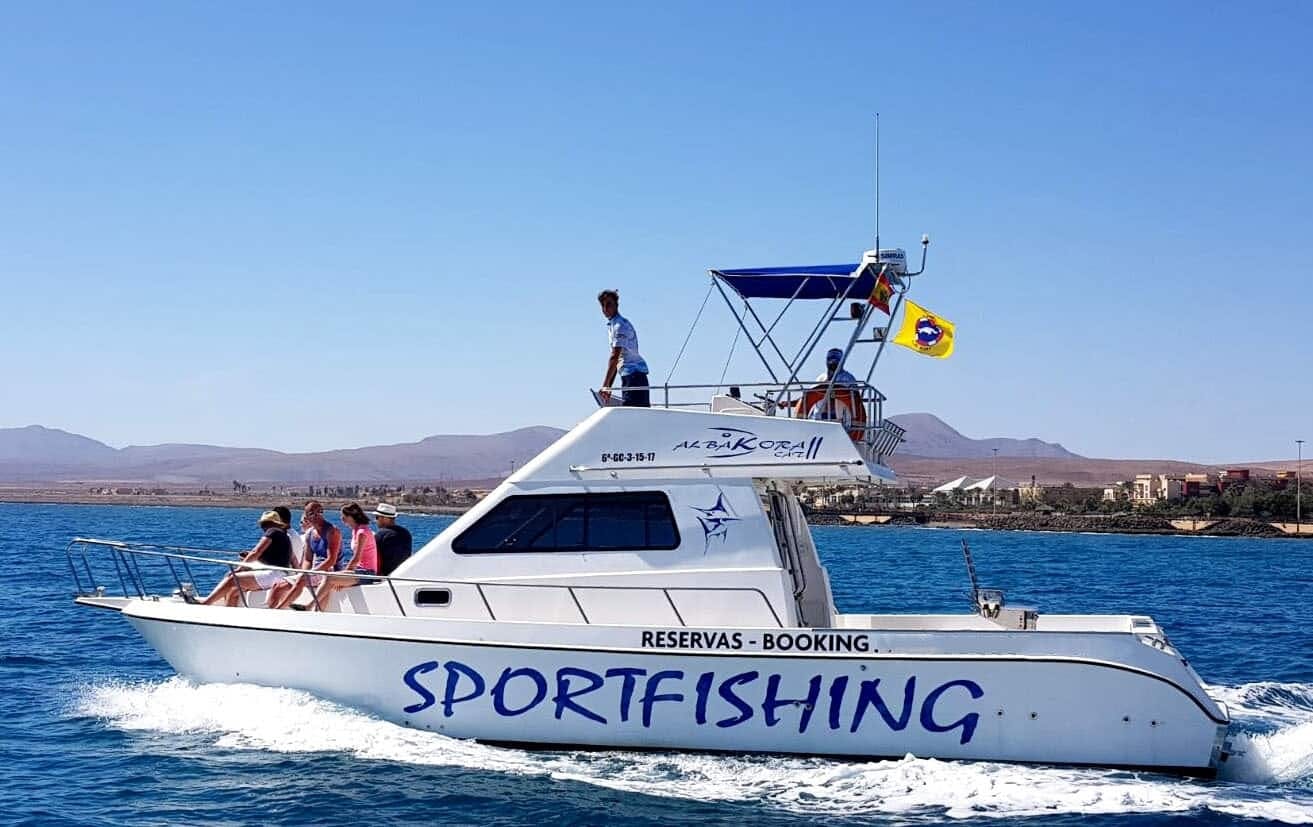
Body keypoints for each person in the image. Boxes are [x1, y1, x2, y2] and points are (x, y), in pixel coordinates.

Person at [194, 510, 293, 606]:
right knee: (233, 591)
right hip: (279, 575)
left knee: (232, 579)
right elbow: (271, 557)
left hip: (272, 575)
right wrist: (248, 556)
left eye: (264, 524)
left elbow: (256, 552)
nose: (263, 528)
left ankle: (206, 603)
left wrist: (239, 568)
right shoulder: (284, 536)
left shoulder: (273, 531)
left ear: (271, 524)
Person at [268, 499, 340, 610]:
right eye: (312, 513)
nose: (317, 515)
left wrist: (311, 573)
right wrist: (304, 572)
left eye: (320, 511)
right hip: (314, 571)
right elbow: (308, 559)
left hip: (328, 570)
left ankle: (278, 610)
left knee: (302, 580)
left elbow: (332, 560)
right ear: (307, 516)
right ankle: (274, 612)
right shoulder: (310, 533)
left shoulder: (332, 531)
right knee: (278, 586)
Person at [309, 502, 378, 611]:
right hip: (359, 571)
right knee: (328, 578)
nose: (342, 519)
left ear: (351, 516)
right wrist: (343, 576)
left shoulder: (362, 533)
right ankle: (317, 611)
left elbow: (356, 558)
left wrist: (344, 575)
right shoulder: (356, 531)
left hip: (367, 573)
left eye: (344, 516)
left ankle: (309, 606)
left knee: (330, 578)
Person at [597, 289, 650, 407]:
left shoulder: (620, 326)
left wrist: (605, 385)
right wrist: (608, 387)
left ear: (616, 305)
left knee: (634, 415)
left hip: (634, 376)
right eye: (603, 306)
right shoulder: (612, 326)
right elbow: (618, 360)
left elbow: (615, 357)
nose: (605, 309)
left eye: (609, 304)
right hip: (628, 376)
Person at [373, 502, 413, 576]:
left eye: (377, 517)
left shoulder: (380, 535)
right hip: (404, 574)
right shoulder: (406, 533)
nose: (376, 520)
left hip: (385, 576)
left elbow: (374, 557)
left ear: (384, 518)